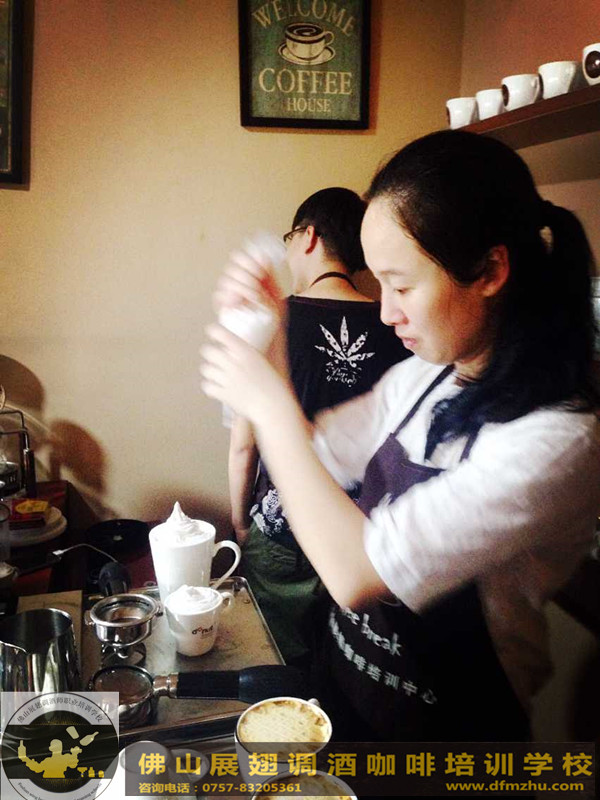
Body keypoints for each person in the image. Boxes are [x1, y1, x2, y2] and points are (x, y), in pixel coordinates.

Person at [202, 130, 600, 743]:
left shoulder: (556, 438)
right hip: (350, 691)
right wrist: (274, 337)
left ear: (491, 270)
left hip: (450, 738)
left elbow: (357, 574)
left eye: (402, 284)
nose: (386, 311)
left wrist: (266, 404)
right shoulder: (423, 375)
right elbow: (313, 459)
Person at [228, 187, 409, 665]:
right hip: (361, 533)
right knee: (343, 666)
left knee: (280, 664)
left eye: (289, 238)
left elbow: (244, 445)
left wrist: (241, 522)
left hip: (283, 527)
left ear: (308, 237)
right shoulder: (399, 323)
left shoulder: (272, 320)